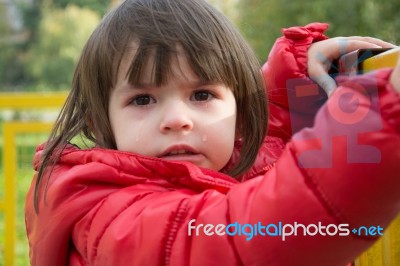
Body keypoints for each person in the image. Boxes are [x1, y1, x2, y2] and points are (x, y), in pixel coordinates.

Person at [25, 0, 400, 265]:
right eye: (142, 100)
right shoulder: (107, 212)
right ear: (97, 122)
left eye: (202, 94)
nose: (177, 119)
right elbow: (245, 241)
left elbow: (266, 132)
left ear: (240, 106)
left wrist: (298, 82)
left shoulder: (225, 155)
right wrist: (385, 112)